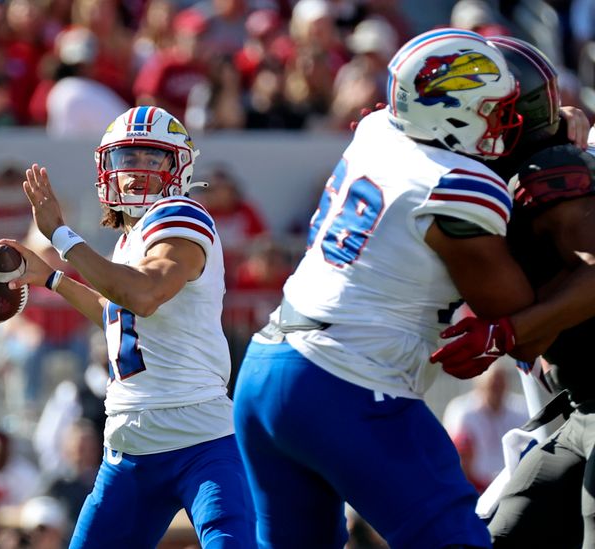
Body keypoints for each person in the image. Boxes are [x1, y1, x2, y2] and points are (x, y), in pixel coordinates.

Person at [232, 28, 542, 549]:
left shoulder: (378, 129)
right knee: (452, 538)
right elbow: (518, 313)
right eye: (491, 108)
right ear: (451, 111)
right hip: (346, 384)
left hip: (266, 369)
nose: (501, 122)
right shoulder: (456, 186)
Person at [0, 105, 255, 548]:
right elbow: (119, 316)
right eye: (125, 159)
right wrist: (53, 278)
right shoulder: (126, 243)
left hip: (201, 440)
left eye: (152, 158)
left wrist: (61, 235)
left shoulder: (182, 218)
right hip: (130, 446)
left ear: (179, 167)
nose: (136, 171)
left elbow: (143, 295)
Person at [428, 36, 595, 548]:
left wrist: (508, 331)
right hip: (577, 407)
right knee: (502, 534)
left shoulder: (555, 177)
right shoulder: (512, 174)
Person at [442, 361, 528, 493]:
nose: (497, 389)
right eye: (492, 385)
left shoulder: (521, 409)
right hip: (475, 487)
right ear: (479, 385)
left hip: (514, 484)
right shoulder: (461, 411)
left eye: (500, 384)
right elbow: (457, 455)